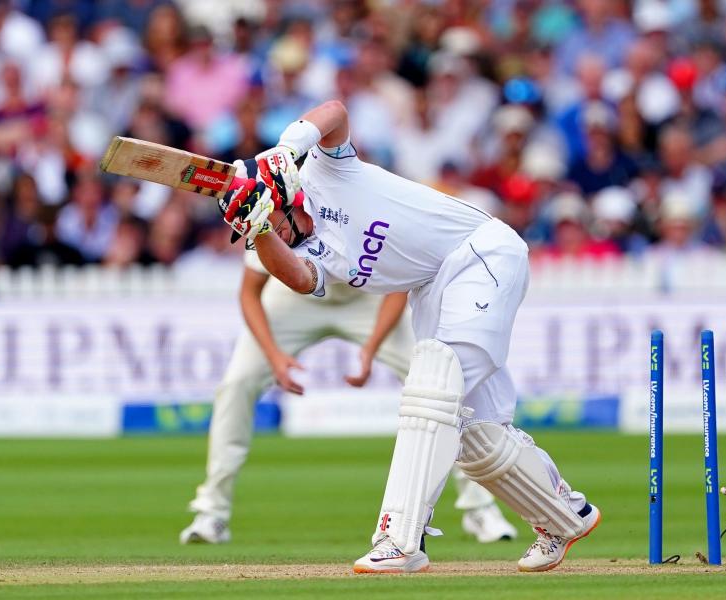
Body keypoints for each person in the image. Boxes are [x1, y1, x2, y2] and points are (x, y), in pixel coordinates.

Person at [218, 100, 600, 573]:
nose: (273, 234)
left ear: (285, 194)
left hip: (480, 253)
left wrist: (285, 148)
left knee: (431, 390)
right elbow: (297, 279)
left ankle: (399, 537)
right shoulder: (311, 250)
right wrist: (256, 232)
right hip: (432, 288)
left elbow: (335, 111)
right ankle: (565, 515)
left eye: (268, 220)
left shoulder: (325, 169)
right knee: (475, 433)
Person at [179, 201, 517, 546]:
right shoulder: (267, 220)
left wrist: (370, 349)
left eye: (279, 225)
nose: (274, 231)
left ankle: (480, 508)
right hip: (294, 297)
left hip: (367, 298)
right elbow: (249, 292)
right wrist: (274, 357)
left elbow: (398, 287)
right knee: (236, 384)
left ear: (300, 210)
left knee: (442, 386)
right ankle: (212, 513)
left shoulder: (358, 209)